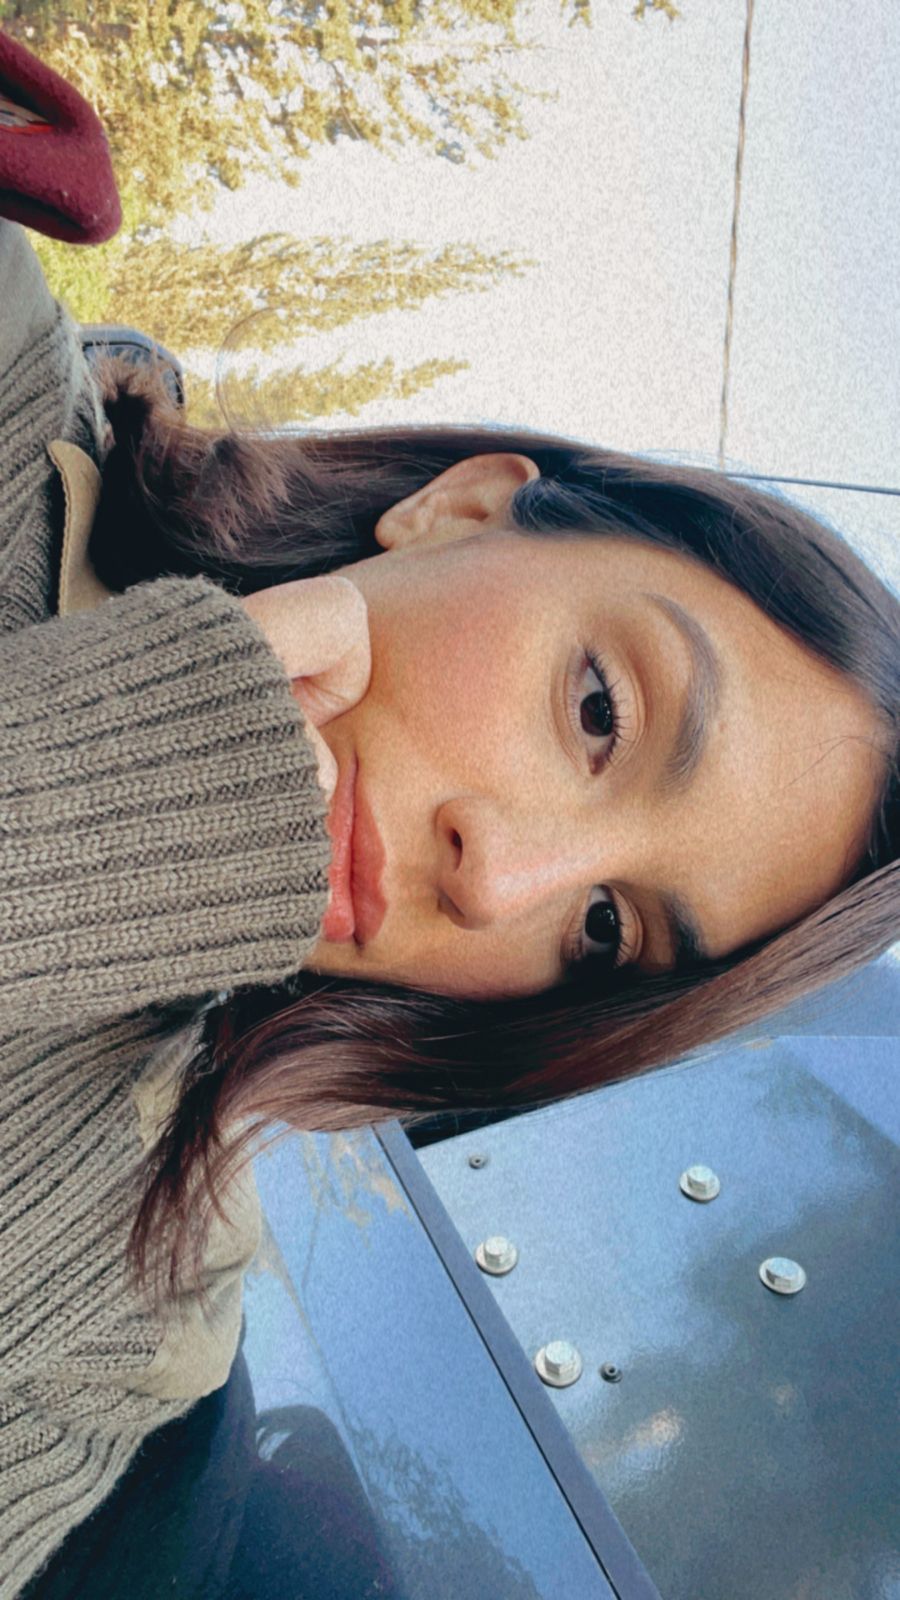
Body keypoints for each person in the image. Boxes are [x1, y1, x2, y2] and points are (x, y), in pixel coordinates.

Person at [0, 31, 897, 1600]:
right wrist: (127, 794)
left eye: (605, 932)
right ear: (466, 509)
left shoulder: (138, 1310)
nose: (507, 883)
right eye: (599, 708)